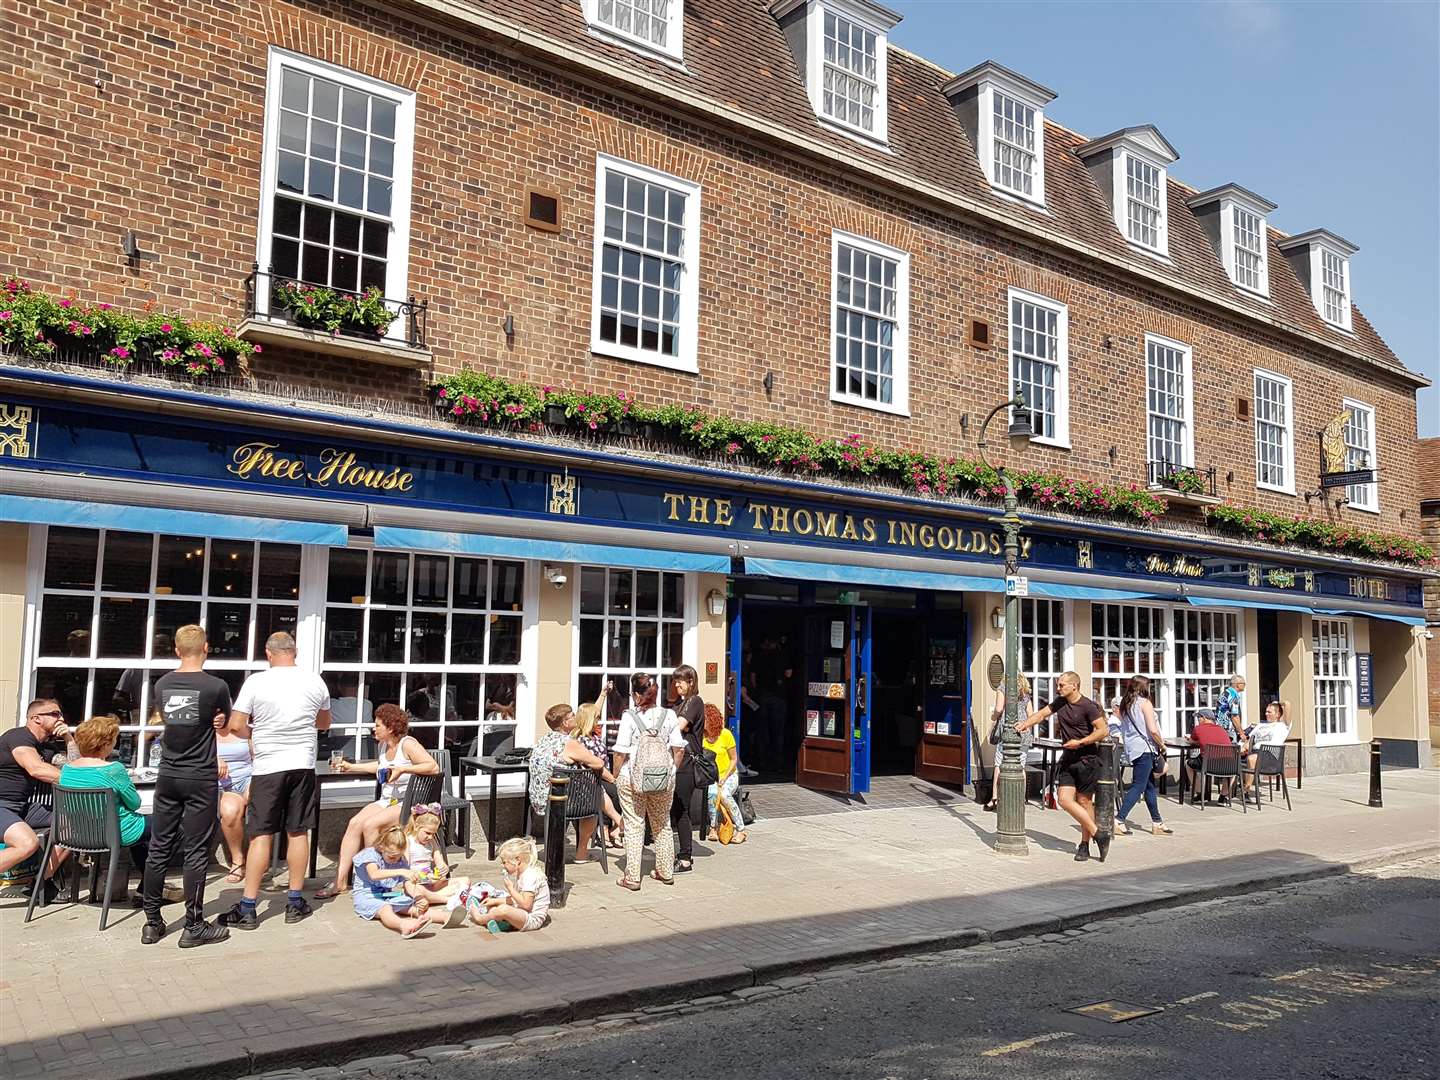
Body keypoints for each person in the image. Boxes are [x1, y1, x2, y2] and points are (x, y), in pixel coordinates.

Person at [219, 631, 332, 930]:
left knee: (261, 834)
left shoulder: (257, 682)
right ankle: (295, 901)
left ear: (268, 653)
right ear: (294, 653)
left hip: (268, 765)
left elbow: (236, 724)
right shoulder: (314, 680)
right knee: (298, 832)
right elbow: (323, 723)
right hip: (302, 764)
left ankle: (248, 906)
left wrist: (257, 732)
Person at [138, 625, 233, 947]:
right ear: (206, 648)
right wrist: (216, 721)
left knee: (159, 847)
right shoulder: (216, 686)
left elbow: (174, 718)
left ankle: (152, 922)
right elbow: (225, 720)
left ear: (177, 650)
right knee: (195, 850)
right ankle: (194, 926)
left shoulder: (163, 683)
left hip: (168, 774)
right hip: (200, 775)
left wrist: (211, 720)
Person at [314, 703, 439, 899]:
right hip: (387, 800)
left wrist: (404, 769)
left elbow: (433, 767)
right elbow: (380, 766)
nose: (374, 728)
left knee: (370, 825)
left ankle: (372, 880)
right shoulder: (383, 745)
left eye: (378, 725)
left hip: (407, 802)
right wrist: (351, 767)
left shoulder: (408, 744)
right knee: (354, 823)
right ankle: (340, 882)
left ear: (390, 728)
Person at [1018, 671, 1109, 863]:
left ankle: (1084, 844)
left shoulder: (1088, 706)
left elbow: (1103, 730)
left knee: (1084, 802)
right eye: (1058, 685)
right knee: (1064, 800)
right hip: (1068, 758)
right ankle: (1098, 834)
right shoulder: (1060, 702)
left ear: (1074, 686)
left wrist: (1081, 742)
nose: (1058, 688)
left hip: (1087, 759)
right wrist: (1025, 724)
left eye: (1061, 685)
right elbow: (1043, 714)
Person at [611, 673, 686, 891]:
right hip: (663, 778)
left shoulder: (629, 717)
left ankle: (632, 877)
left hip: (632, 778)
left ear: (636, 694)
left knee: (635, 825)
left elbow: (620, 751)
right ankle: (665, 871)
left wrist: (616, 774)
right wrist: (672, 770)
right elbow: (679, 748)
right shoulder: (670, 715)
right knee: (662, 823)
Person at [0, 698, 77, 902]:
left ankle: (40, 882)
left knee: (78, 823)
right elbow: (36, 768)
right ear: (36, 718)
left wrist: (69, 739)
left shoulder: (46, 747)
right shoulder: (19, 737)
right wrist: (80, 780)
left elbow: (74, 766)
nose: (60, 718)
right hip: (2, 805)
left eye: (60, 714)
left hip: (21, 807)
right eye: (54, 714)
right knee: (27, 843)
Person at [527, 703, 613, 862]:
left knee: (590, 790)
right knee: (593, 801)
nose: (576, 718)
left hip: (538, 800)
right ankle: (582, 853)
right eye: (572, 716)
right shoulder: (569, 743)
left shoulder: (543, 739)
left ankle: (618, 821)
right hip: (560, 802)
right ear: (565, 723)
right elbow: (598, 764)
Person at [351, 823, 466, 938]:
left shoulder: (400, 860)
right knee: (385, 909)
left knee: (413, 905)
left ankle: (445, 917)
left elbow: (408, 882)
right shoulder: (370, 855)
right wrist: (401, 871)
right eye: (392, 857)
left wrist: (418, 897)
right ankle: (404, 926)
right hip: (367, 896)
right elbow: (374, 874)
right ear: (381, 847)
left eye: (398, 857)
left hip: (387, 895)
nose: (396, 860)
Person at [1113, 676, 1172, 837]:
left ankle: (1157, 822)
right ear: (1144, 687)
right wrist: (1162, 745)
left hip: (1132, 748)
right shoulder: (1145, 703)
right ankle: (1119, 820)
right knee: (1138, 785)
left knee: (1149, 786)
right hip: (1145, 748)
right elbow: (1153, 730)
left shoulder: (1126, 704)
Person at [575, 694, 624, 849]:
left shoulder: (594, 736)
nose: (598, 722)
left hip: (603, 774)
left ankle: (614, 829)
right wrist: (612, 779)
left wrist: (603, 693)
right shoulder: (581, 740)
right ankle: (606, 829)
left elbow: (596, 708)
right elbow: (594, 766)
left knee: (622, 791)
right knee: (614, 791)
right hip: (592, 778)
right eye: (595, 719)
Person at [472, 836, 551, 934]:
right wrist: (494, 901)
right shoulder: (523, 874)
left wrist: (510, 889)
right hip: (522, 913)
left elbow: (526, 905)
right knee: (495, 907)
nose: (503, 866)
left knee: (503, 910)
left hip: (531, 919)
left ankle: (480, 918)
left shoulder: (530, 876)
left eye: (505, 862)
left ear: (517, 860)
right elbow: (516, 899)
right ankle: (502, 924)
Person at [669, 664, 705, 874]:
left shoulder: (695, 702)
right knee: (674, 809)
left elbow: (677, 726)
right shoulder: (682, 703)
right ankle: (676, 853)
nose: (677, 684)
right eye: (675, 681)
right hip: (678, 762)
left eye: (680, 681)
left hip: (687, 763)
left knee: (681, 809)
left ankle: (685, 858)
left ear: (691, 682)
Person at [400, 803, 469, 906]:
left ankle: (433, 898)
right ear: (416, 826)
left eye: (433, 834)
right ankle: (447, 899)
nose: (430, 837)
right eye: (427, 833)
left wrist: (443, 868)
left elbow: (439, 861)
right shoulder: (408, 840)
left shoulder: (431, 842)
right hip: (416, 883)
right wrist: (425, 877)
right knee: (414, 888)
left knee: (465, 881)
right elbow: (406, 869)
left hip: (432, 884)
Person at [983, 674, 1033, 813]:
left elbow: (999, 709)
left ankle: (995, 798)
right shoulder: (1025, 692)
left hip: (1007, 729)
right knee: (1021, 766)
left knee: (999, 764)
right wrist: (1025, 725)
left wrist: (993, 717)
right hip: (1023, 730)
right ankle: (1020, 799)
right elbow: (1031, 713)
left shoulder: (1003, 688)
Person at [702, 703, 747, 844]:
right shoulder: (701, 736)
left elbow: (734, 759)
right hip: (711, 777)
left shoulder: (725, 734)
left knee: (724, 795)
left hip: (729, 774)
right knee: (712, 794)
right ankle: (713, 827)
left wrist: (725, 776)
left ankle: (741, 829)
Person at [216, 725, 253, 885]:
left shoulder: (245, 729)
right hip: (220, 786)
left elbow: (258, 757)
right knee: (230, 811)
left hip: (248, 778)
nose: (218, 715)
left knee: (261, 800)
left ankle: (258, 857)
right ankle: (238, 860)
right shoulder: (203, 731)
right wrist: (212, 759)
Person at [1186, 710, 1244, 805]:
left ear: (1204, 718)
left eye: (1198, 718)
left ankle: (1200, 794)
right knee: (1232, 772)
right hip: (1228, 765)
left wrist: (1193, 740)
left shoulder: (1198, 728)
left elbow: (1192, 741)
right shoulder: (1221, 729)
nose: (1198, 720)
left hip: (1209, 765)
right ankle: (1223, 797)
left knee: (1188, 764)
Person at [1243, 700, 1292, 794]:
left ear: (1277, 714)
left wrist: (1276, 703)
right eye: (1266, 711)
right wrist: (1244, 746)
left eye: (1269, 712)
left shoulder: (1283, 725)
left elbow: (1287, 704)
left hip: (1271, 755)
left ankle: (1246, 790)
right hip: (1255, 752)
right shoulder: (1261, 725)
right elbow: (1250, 740)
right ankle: (1226, 794)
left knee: (1251, 759)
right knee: (1234, 758)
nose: (1266, 714)